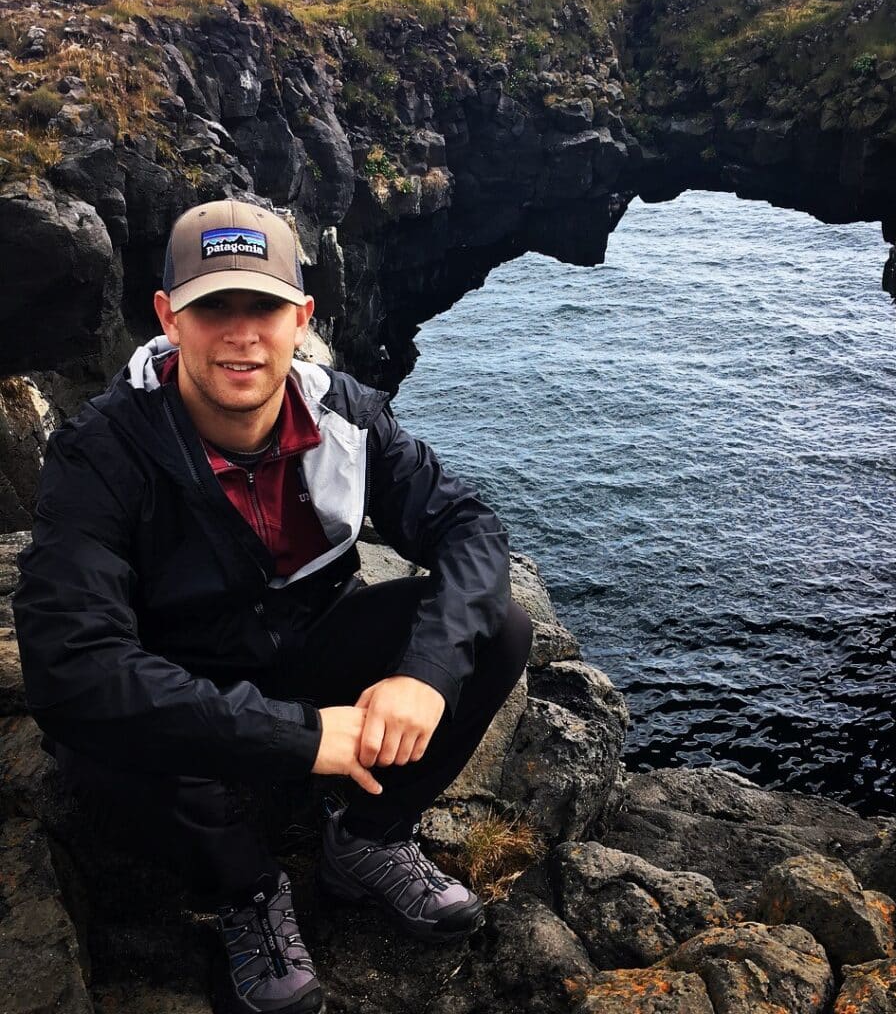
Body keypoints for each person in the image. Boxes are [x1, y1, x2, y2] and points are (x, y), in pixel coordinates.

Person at [13, 199, 533, 1014]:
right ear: (168, 317)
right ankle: (246, 889)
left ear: (302, 316)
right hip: (180, 693)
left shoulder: (346, 415)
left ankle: (368, 838)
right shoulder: (102, 453)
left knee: (499, 628)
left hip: (304, 654)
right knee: (100, 739)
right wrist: (304, 737)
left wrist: (425, 674)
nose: (241, 334)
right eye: (212, 307)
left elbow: (468, 526)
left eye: (262, 306)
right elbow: (72, 668)